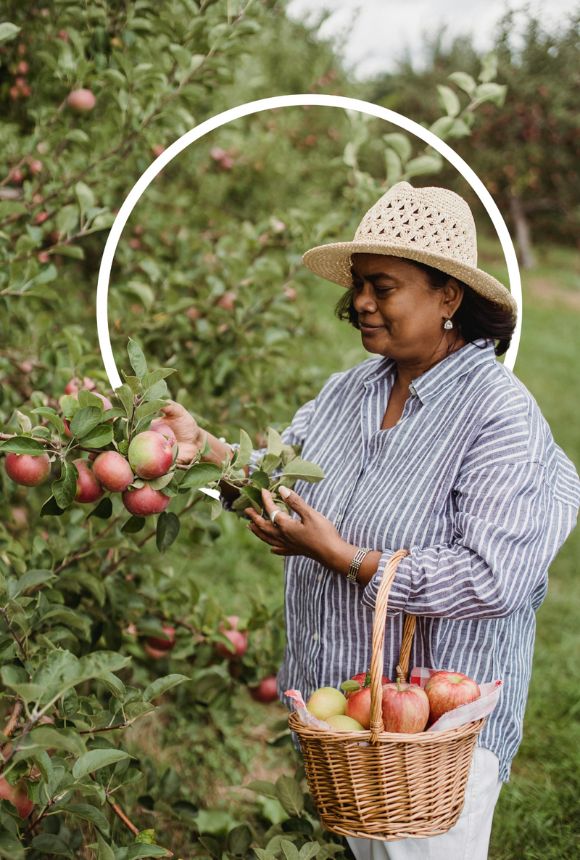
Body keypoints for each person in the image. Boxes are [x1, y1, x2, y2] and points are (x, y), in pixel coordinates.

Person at [160, 182, 580, 860]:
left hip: (433, 740)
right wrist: (202, 448)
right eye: (359, 285)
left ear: (449, 297)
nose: (360, 302)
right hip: (348, 718)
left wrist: (348, 559)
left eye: (382, 287)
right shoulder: (349, 390)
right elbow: (280, 477)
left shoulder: (497, 415)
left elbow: (494, 578)